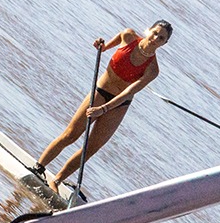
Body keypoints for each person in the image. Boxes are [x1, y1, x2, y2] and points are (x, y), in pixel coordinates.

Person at [33, 21, 173, 194]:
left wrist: (104, 109)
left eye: (161, 38)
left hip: (119, 104)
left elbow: (129, 91)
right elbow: (108, 45)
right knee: (71, 135)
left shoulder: (152, 70)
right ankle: (38, 168)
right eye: (155, 33)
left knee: (91, 148)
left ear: (164, 43)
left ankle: (57, 180)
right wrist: (102, 46)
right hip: (100, 91)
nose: (156, 38)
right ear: (148, 30)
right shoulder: (128, 36)